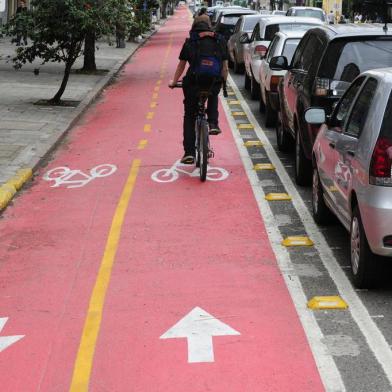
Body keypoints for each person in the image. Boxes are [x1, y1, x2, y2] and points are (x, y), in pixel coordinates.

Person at [169, 18, 229, 165]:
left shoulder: (190, 41)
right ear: (210, 27)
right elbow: (225, 68)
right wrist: (223, 82)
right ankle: (213, 123)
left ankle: (189, 153)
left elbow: (181, 66)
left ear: (194, 28)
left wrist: (174, 82)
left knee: (189, 115)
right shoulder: (220, 41)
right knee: (214, 93)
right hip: (212, 82)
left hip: (193, 83)